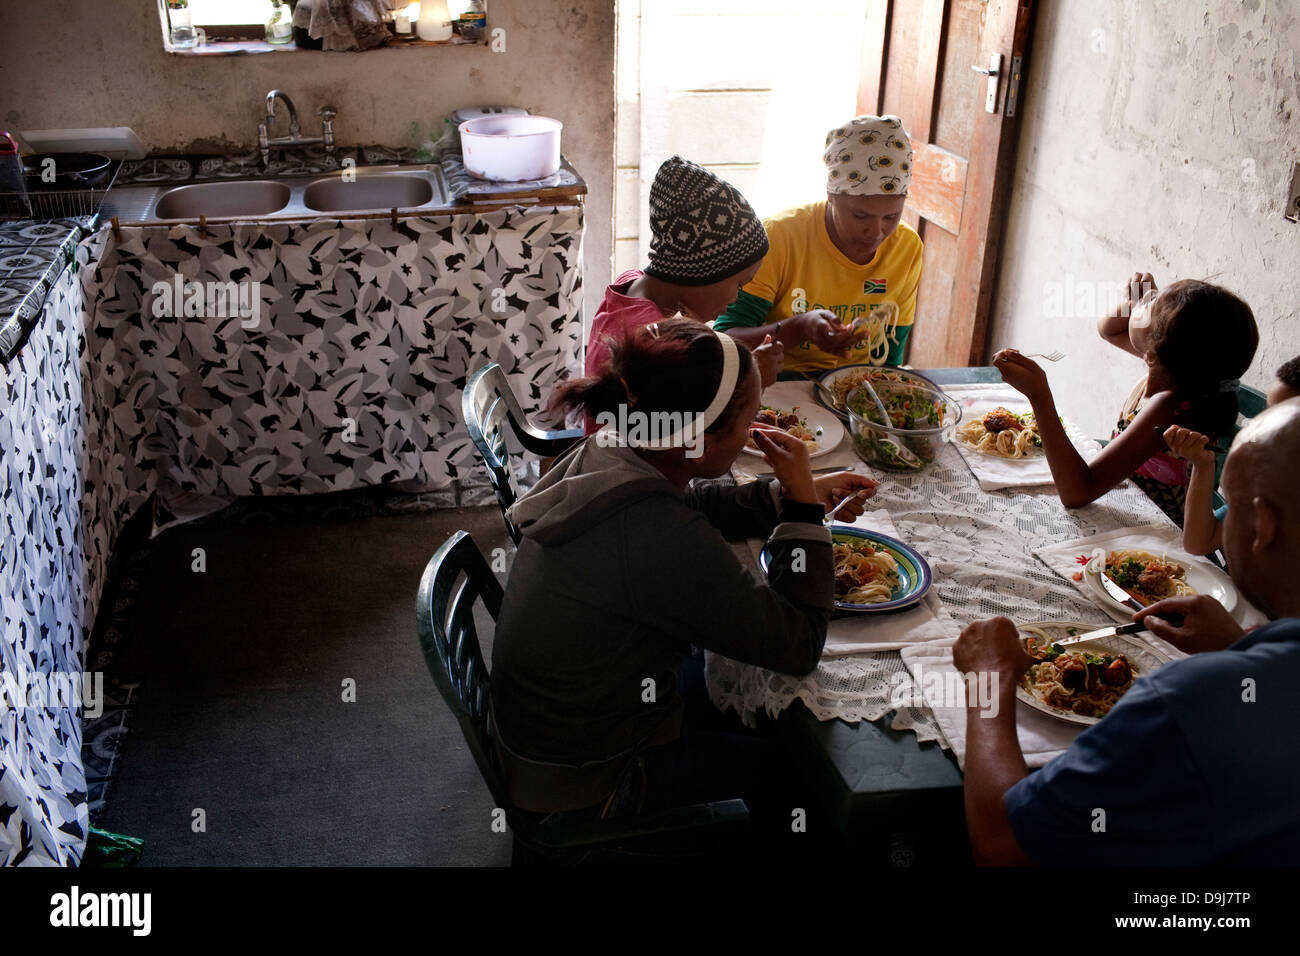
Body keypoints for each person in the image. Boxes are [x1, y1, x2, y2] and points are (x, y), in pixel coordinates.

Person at [491, 318, 878, 825]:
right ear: (698, 438)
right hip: (585, 784)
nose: (757, 429)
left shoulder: (617, 446)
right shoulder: (654, 533)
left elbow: (689, 502)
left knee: (749, 704)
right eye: (749, 420)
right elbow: (798, 645)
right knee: (804, 773)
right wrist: (803, 512)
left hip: (553, 734)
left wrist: (786, 493)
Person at [953, 397, 1300, 866]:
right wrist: (1240, 649)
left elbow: (1003, 846)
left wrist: (988, 678)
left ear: (1264, 525)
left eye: (1230, 504)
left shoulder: (1186, 701)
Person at [995, 275, 1258, 514]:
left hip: (1150, 527)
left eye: (1152, 304)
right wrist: (1137, 303)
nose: (1146, 298)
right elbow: (1109, 330)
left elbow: (1077, 492)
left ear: (1153, 354)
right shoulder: (1186, 375)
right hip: (1119, 494)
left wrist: (1039, 396)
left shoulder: (1168, 407)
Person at [714, 115, 924, 377]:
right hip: (779, 384)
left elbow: (890, 355)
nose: (876, 231)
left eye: (891, 216)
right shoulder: (779, 237)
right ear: (831, 196)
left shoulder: (906, 247)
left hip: (858, 387)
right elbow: (724, 341)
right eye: (860, 216)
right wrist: (799, 328)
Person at [585, 155, 782, 388]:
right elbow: (686, 422)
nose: (735, 299)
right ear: (705, 270)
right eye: (739, 284)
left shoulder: (629, 287)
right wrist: (751, 381)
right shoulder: (651, 341)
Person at [1165, 354, 1300, 555]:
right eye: (1266, 416)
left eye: (1283, 424)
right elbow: (1199, 542)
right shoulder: (1272, 485)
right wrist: (1203, 465)